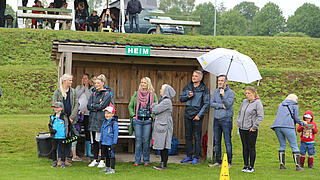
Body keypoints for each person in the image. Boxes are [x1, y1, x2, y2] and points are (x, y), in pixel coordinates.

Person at [271, 94, 307, 171]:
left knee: (282, 145)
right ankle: (298, 166)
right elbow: (296, 118)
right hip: (288, 126)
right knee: (294, 145)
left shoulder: (281, 104)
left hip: (277, 126)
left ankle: (282, 165)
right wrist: (303, 123)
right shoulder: (294, 105)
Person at [180, 70, 209, 164]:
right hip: (188, 113)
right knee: (188, 136)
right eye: (193, 76)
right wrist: (187, 96)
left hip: (197, 114)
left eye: (196, 76)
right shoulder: (188, 86)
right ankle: (189, 156)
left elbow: (206, 103)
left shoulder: (204, 88)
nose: (193, 77)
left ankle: (196, 157)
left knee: (197, 137)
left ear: (200, 78)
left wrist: (199, 115)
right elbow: (181, 98)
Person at [128, 77, 158, 166]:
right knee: (138, 140)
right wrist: (133, 115)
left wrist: (151, 117)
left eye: (144, 82)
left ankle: (146, 160)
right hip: (138, 121)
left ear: (148, 84)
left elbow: (156, 107)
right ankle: (137, 161)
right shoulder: (136, 94)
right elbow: (130, 106)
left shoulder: (153, 95)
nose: (142, 84)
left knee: (146, 141)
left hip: (147, 121)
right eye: (141, 82)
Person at [208, 75, 234, 168]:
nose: (220, 82)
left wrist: (223, 96)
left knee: (227, 141)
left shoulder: (230, 93)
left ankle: (229, 162)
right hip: (217, 119)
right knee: (217, 141)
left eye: (222, 80)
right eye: (218, 80)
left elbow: (228, 105)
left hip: (226, 119)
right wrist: (220, 105)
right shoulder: (215, 92)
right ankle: (218, 161)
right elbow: (212, 103)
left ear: (226, 82)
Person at [236, 86, 264, 173]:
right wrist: (238, 122)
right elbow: (240, 112)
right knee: (245, 147)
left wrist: (254, 126)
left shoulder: (258, 103)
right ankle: (245, 165)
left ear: (254, 94)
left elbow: (260, 116)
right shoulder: (244, 102)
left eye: (249, 93)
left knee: (251, 147)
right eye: (246, 93)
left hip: (251, 129)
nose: (247, 95)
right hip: (242, 128)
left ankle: (251, 166)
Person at [53, 73, 78, 166]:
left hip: (70, 119)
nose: (71, 82)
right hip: (61, 121)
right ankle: (59, 159)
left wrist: (72, 117)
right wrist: (60, 116)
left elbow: (76, 105)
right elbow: (54, 105)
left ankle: (66, 159)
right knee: (60, 140)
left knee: (68, 139)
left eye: (71, 80)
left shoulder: (74, 92)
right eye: (70, 80)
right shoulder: (58, 92)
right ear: (64, 81)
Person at [87, 74, 113, 168]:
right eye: (95, 83)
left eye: (98, 83)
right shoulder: (93, 93)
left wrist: (95, 105)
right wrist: (96, 106)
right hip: (92, 120)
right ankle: (95, 159)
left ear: (103, 83)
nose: (96, 85)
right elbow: (89, 106)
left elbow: (103, 107)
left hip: (101, 120)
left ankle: (102, 159)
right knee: (94, 141)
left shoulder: (107, 94)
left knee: (101, 141)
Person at [151, 84, 176, 170]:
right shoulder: (163, 100)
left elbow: (155, 110)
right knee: (162, 145)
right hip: (162, 124)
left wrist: (154, 105)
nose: (160, 91)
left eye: (161, 89)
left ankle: (163, 165)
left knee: (164, 145)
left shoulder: (166, 101)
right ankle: (162, 163)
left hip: (164, 125)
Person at [48, 102, 71, 168]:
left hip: (62, 136)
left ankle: (63, 162)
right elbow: (50, 125)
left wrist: (66, 135)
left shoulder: (64, 116)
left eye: (57, 107)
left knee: (62, 150)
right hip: (54, 136)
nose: (55, 109)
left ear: (61, 108)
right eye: (55, 107)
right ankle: (54, 162)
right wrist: (51, 130)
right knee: (53, 149)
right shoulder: (52, 117)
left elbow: (67, 126)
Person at [76, 73, 93, 158]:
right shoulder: (78, 88)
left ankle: (88, 151)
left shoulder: (91, 89)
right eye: (83, 78)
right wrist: (83, 87)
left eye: (86, 78)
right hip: (79, 113)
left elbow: (89, 97)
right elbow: (77, 95)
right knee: (77, 131)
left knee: (87, 131)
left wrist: (86, 87)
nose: (84, 80)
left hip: (87, 114)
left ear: (89, 80)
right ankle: (77, 151)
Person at [99, 105, 119, 174]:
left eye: (108, 113)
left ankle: (112, 168)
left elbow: (116, 134)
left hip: (110, 143)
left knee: (111, 155)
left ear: (112, 114)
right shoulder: (104, 122)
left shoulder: (114, 123)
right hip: (104, 142)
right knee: (106, 155)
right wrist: (100, 140)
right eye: (105, 113)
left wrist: (114, 143)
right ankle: (107, 167)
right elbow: (102, 131)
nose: (106, 115)